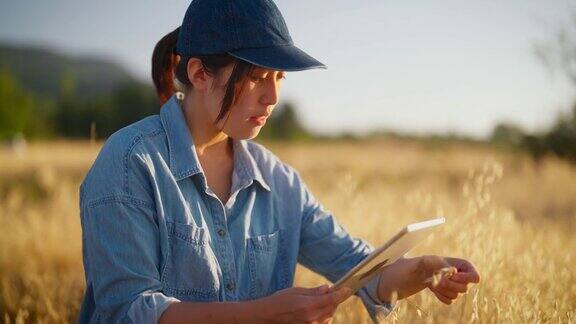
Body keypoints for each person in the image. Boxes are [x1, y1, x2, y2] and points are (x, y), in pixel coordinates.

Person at [78, 1, 480, 323]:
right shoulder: (131, 162)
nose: (272, 97)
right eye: (256, 76)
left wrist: (421, 271)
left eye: (280, 78)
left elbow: (358, 267)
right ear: (200, 73)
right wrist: (261, 315)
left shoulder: (280, 182)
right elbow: (127, 312)